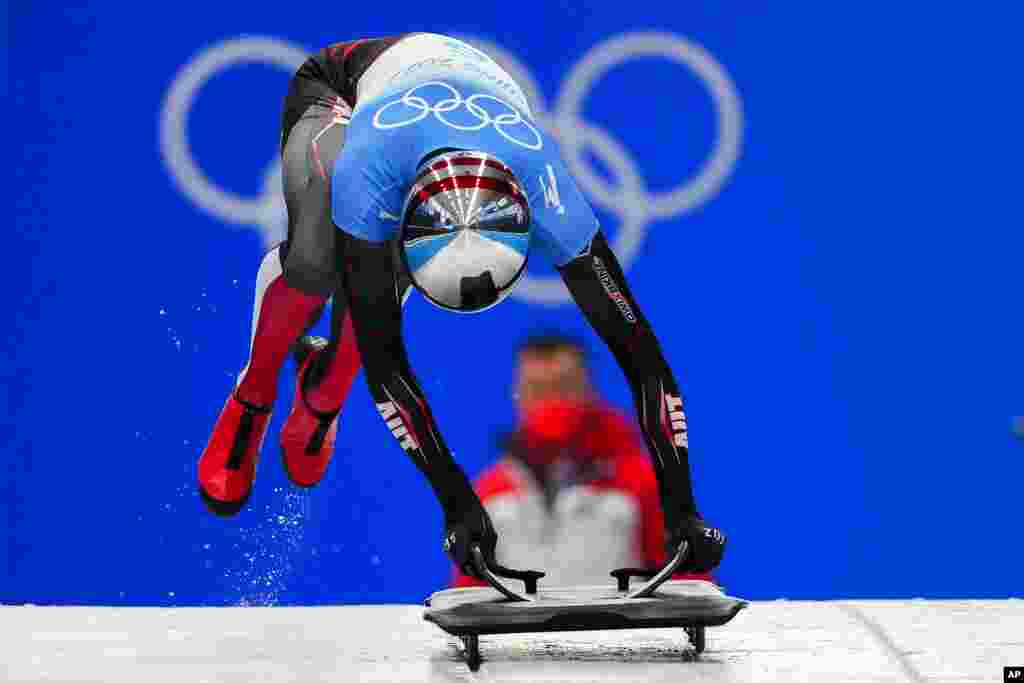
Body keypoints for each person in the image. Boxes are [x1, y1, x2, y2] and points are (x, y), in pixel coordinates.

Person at [197, 33, 727, 582]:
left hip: (452, 111)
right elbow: (387, 362)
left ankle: (324, 393)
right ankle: (254, 395)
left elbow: (640, 353)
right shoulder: (367, 171)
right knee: (316, 262)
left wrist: (681, 509)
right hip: (345, 90)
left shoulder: (547, 186)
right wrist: (456, 500)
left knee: (372, 300)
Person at [452, 334, 716, 587]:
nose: (550, 401)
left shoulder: (642, 481)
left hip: (623, 632)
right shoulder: (490, 488)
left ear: (588, 388)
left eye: (562, 386)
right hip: (515, 634)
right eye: (537, 389)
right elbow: (469, 592)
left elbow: (687, 582)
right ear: (517, 394)